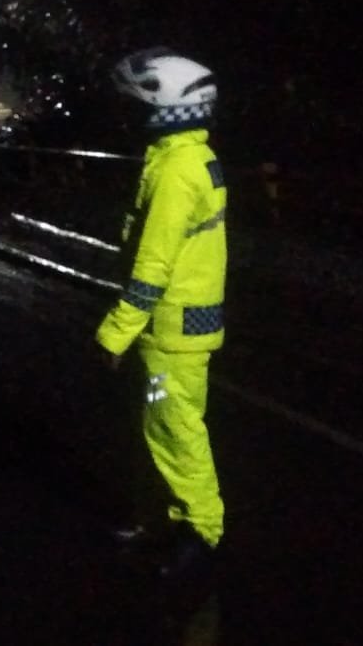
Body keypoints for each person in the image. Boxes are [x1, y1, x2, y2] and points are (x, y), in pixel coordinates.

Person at [94, 47, 228, 578]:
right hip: (174, 328)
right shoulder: (186, 157)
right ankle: (164, 522)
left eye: (137, 104)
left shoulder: (176, 170)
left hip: (173, 330)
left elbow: (153, 265)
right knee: (159, 425)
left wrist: (115, 332)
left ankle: (201, 533)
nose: (130, 115)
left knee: (178, 431)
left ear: (165, 106)